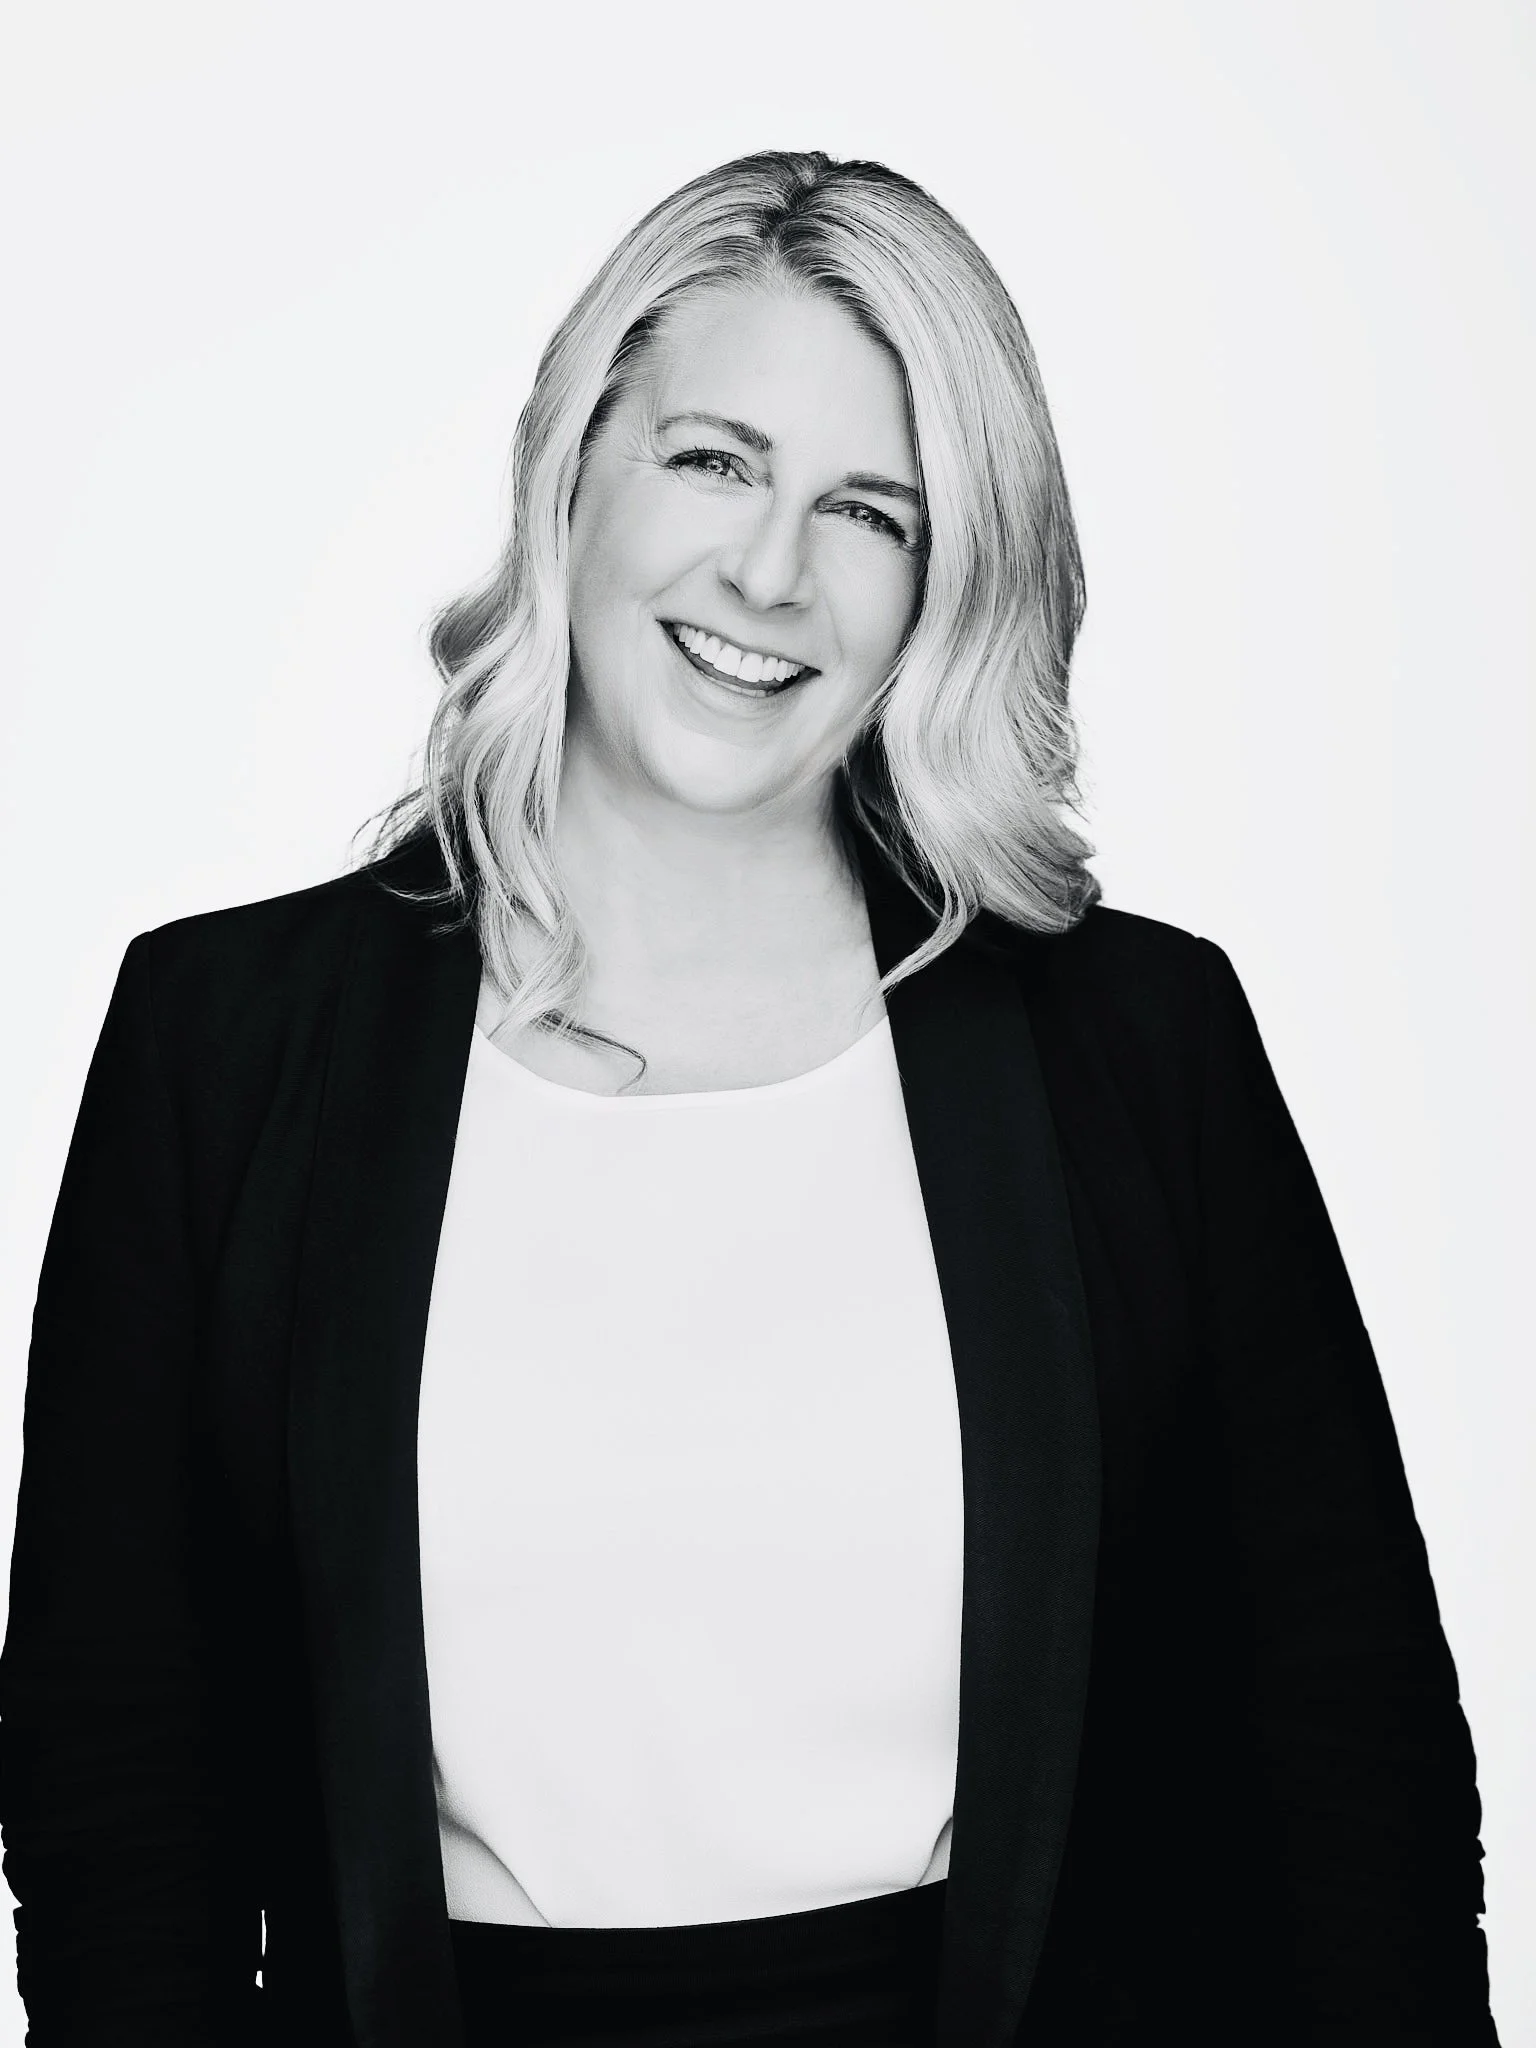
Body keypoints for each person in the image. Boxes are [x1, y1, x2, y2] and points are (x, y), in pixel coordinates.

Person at [0, 149, 1499, 2048]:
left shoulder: (1138, 1042)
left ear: (943, 583)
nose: (770, 572)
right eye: (714, 459)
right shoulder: (226, 1039)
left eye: (870, 510)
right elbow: (117, 1769)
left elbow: (1345, 1734)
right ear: (575, 464)